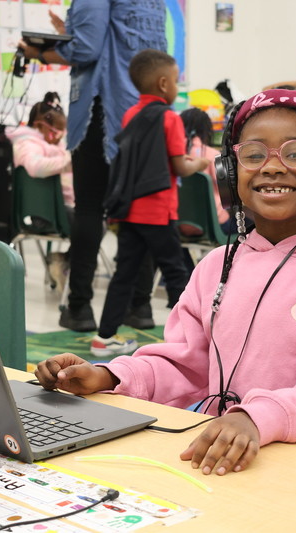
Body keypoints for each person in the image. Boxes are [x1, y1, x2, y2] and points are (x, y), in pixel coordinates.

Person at [35, 89, 296, 476]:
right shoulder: (218, 265)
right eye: (253, 155)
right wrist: (110, 375)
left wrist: (256, 418)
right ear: (229, 174)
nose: (271, 167)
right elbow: (186, 363)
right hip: (228, 455)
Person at [18, 1, 167, 332]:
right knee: (139, 211)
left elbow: (86, 49)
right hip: (146, 111)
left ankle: (80, 308)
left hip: (105, 111)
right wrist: (65, 35)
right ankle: (140, 307)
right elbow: (124, 41)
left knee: (89, 209)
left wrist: (39, 53)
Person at [91, 50, 208, 356]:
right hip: (158, 211)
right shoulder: (170, 118)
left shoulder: (131, 114)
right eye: (176, 80)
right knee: (176, 273)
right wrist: (198, 163)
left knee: (124, 274)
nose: (177, 85)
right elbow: (180, 167)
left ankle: (104, 338)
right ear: (163, 83)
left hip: (131, 212)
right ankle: (189, 340)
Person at [6, 92, 74, 292]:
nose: (60, 135)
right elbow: (35, 167)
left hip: (60, 208)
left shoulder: (55, 145)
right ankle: (64, 262)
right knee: (91, 227)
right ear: (40, 125)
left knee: (93, 223)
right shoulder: (26, 144)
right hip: (44, 213)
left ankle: (64, 260)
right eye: (57, 130)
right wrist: (67, 162)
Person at [180, 108, 232, 234]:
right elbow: (229, 190)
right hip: (213, 226)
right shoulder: (214, 155)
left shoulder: (173, 156)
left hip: (178, 226)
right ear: (207, 130)